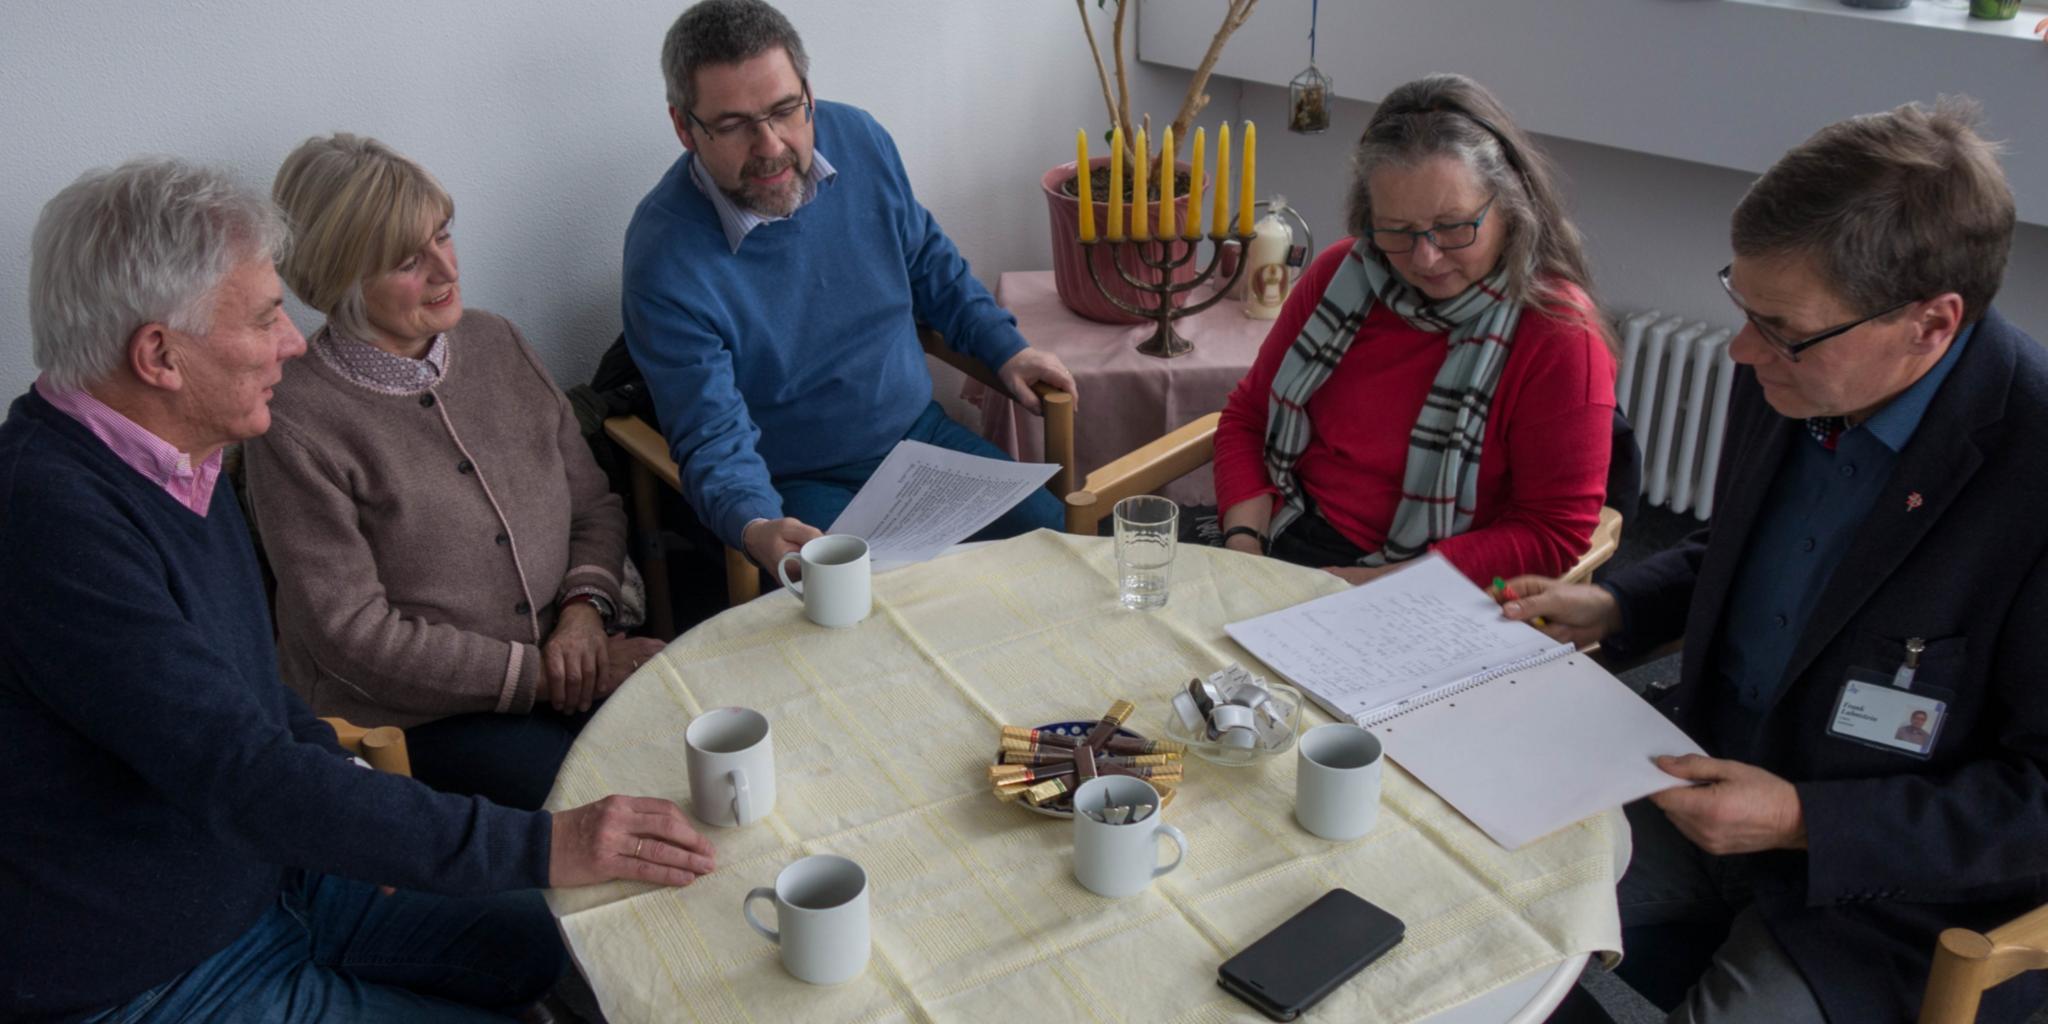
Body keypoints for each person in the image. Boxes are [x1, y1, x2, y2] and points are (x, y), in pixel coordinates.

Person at [0, 157, 715, 1023]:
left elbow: (258, 705)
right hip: (160, 969)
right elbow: (241, 770)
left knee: (579, 937)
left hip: (280, 877)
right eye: (266, 320)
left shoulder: (182, 454)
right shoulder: (49, 525)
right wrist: (542, 840)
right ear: (160, 356)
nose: (294, 343)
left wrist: (364, 817)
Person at [1507, 100, 2048, 1023]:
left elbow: (2037, 801)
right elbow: (1761, 553)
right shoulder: (1794, 373)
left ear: (1931, 323)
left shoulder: (2033, 472)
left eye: (1782, 327)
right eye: (1741, 304)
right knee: (1477, 914)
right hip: (1704, 773)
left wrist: (1804, 821)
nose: (1741, 349)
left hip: (1888, 896)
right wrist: (1622, 606)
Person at [243, 134, 664, 812]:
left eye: (444, 235)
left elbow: (593, 505)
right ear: (339, 278)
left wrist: (584, 615)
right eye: (410, 261)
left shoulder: (496, 340)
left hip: (576, 651)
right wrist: (543, 678)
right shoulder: (293, 422)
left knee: (703, 751)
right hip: (429, 718)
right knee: (596, 808)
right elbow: (352, 635)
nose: (446, 270)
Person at [623, 0, 1077, 573]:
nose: (770, 146)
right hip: (795, 483)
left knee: (1063, 554)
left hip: (921, 444)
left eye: (786, 110)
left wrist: (1005, 348)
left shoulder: (859, 138)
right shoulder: (663, 257)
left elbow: (930, 264)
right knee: (880, 627)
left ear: (808, 93)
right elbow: (710, 434)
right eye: (734, 125)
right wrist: (755, 522)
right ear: (685, 127)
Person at [1212, 74, 1616, 587]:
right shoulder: (1344, 271)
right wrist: (1244, 547)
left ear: (1509, 204)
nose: (1425, 258)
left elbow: (1549, 532)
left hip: (1434, 578)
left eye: (1453, 226)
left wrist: (1375, 586)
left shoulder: (1558, 333)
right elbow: (1250, 415)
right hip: (1281, 532)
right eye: (1396, 231)